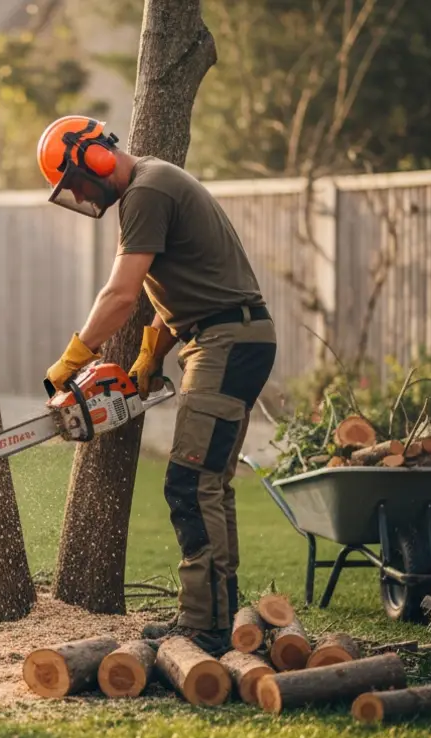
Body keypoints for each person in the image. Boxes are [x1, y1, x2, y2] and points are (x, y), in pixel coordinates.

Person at [37, 115, 277, 656]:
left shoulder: (145, 192)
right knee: (206, 483)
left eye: (75, 181)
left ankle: (207, 627)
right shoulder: (153, 184)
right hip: (221, 336)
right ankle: (213, 616)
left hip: (226, 342)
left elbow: (121, 295)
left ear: (95, 158)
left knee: (191, 484)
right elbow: (184, 285)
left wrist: (74, 358)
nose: (78, 194)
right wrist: (150, 355)